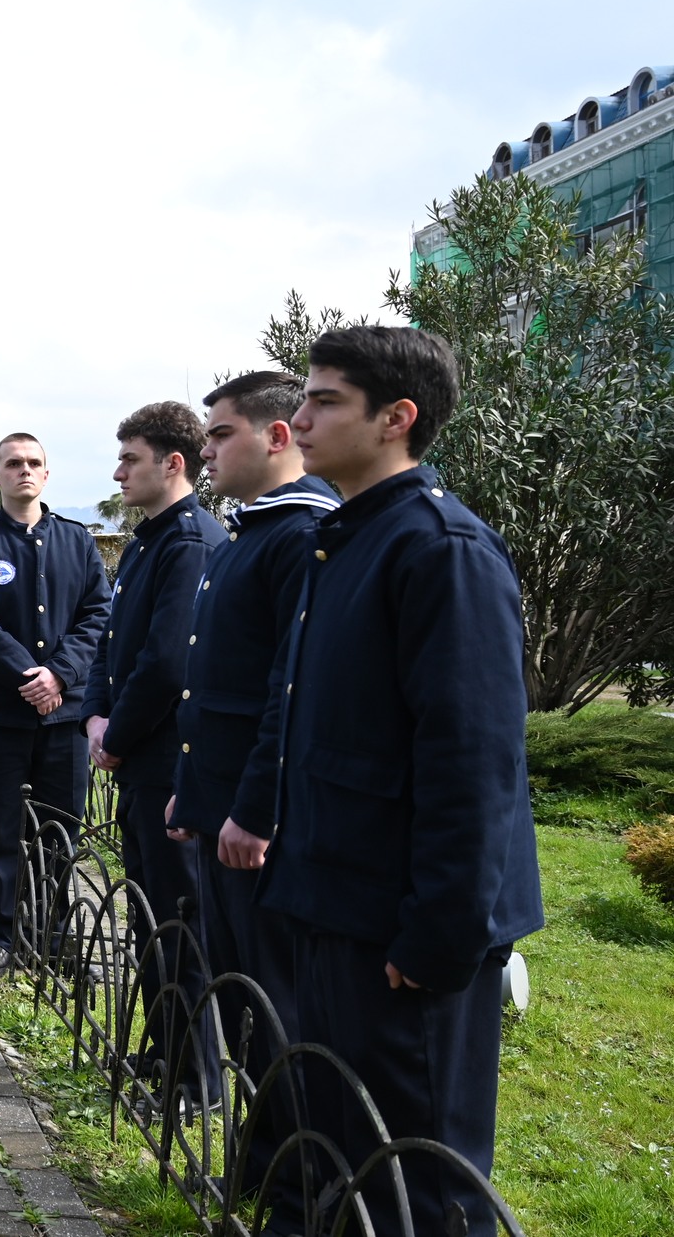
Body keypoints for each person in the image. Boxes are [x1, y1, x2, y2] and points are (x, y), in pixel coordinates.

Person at [263, 325, 542, 1236]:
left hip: (400, 936)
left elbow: (471, 761)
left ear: (398, 418)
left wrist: (437, 938)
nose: (298, 418)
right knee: (345, 1157)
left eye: (324, 400)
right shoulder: (342, 542)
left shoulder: (440, 550)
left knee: (416, 1187)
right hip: (332, 909)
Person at [163, 371, 337, 1212]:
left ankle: (289, 1184)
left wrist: (250, 808)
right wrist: (194, 792)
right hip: (220, 809)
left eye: (221, 434)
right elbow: (215, 690)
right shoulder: (253, 534)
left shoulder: (301, 534)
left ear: (276, 438)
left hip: (255, 825)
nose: (206, 450)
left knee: (275, 1012)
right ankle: (262, 1166)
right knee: (245, 1002)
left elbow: (286, 690)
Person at [80, 401, 226, 1104]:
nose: (117, 472)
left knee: (179, 918)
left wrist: (118, 731)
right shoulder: (145, 541)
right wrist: (94, 713)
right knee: (148, 915)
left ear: (174, 463)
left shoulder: (192, 542)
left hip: (169, 758)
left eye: (130, 458)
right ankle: (164, 1049)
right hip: (135, 754)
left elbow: (169, 662)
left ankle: (196, 1075)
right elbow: (113, 644)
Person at [0, 432, 110, 980]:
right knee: (1, 832)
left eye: (34, 462)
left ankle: (57, 941)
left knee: (61, 832)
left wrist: (60, 675)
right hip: (0, 716)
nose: (24, 470)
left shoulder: (78, 542)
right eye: (12, 463)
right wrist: (29, 675)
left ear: (47, 474)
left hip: (64, 717)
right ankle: (2, 941)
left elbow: (97, 614)